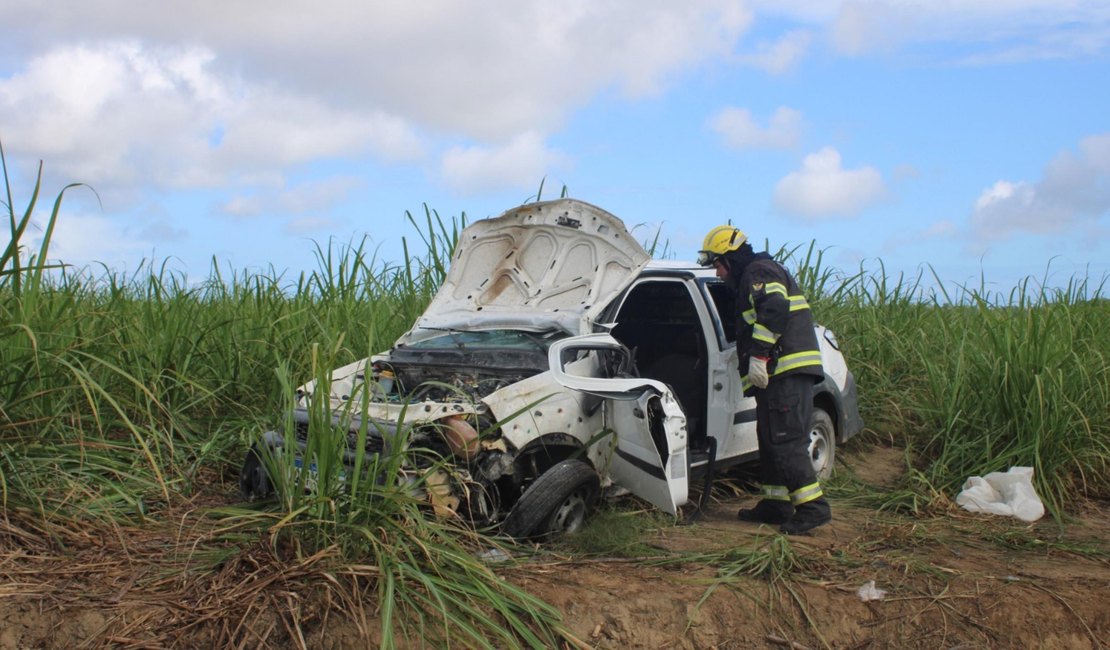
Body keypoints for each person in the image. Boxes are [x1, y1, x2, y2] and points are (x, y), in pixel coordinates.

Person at [698, 225, 832, 534]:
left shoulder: (759, 271)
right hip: (778, 375)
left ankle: (812, 508)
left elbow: (774, 310)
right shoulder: (755, 272)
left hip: (785, 370)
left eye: (717, 265)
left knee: (785, 442)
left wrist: (758, 355)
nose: (717, 274)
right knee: (771, 441)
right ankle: (776, 504)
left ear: (730, 259)